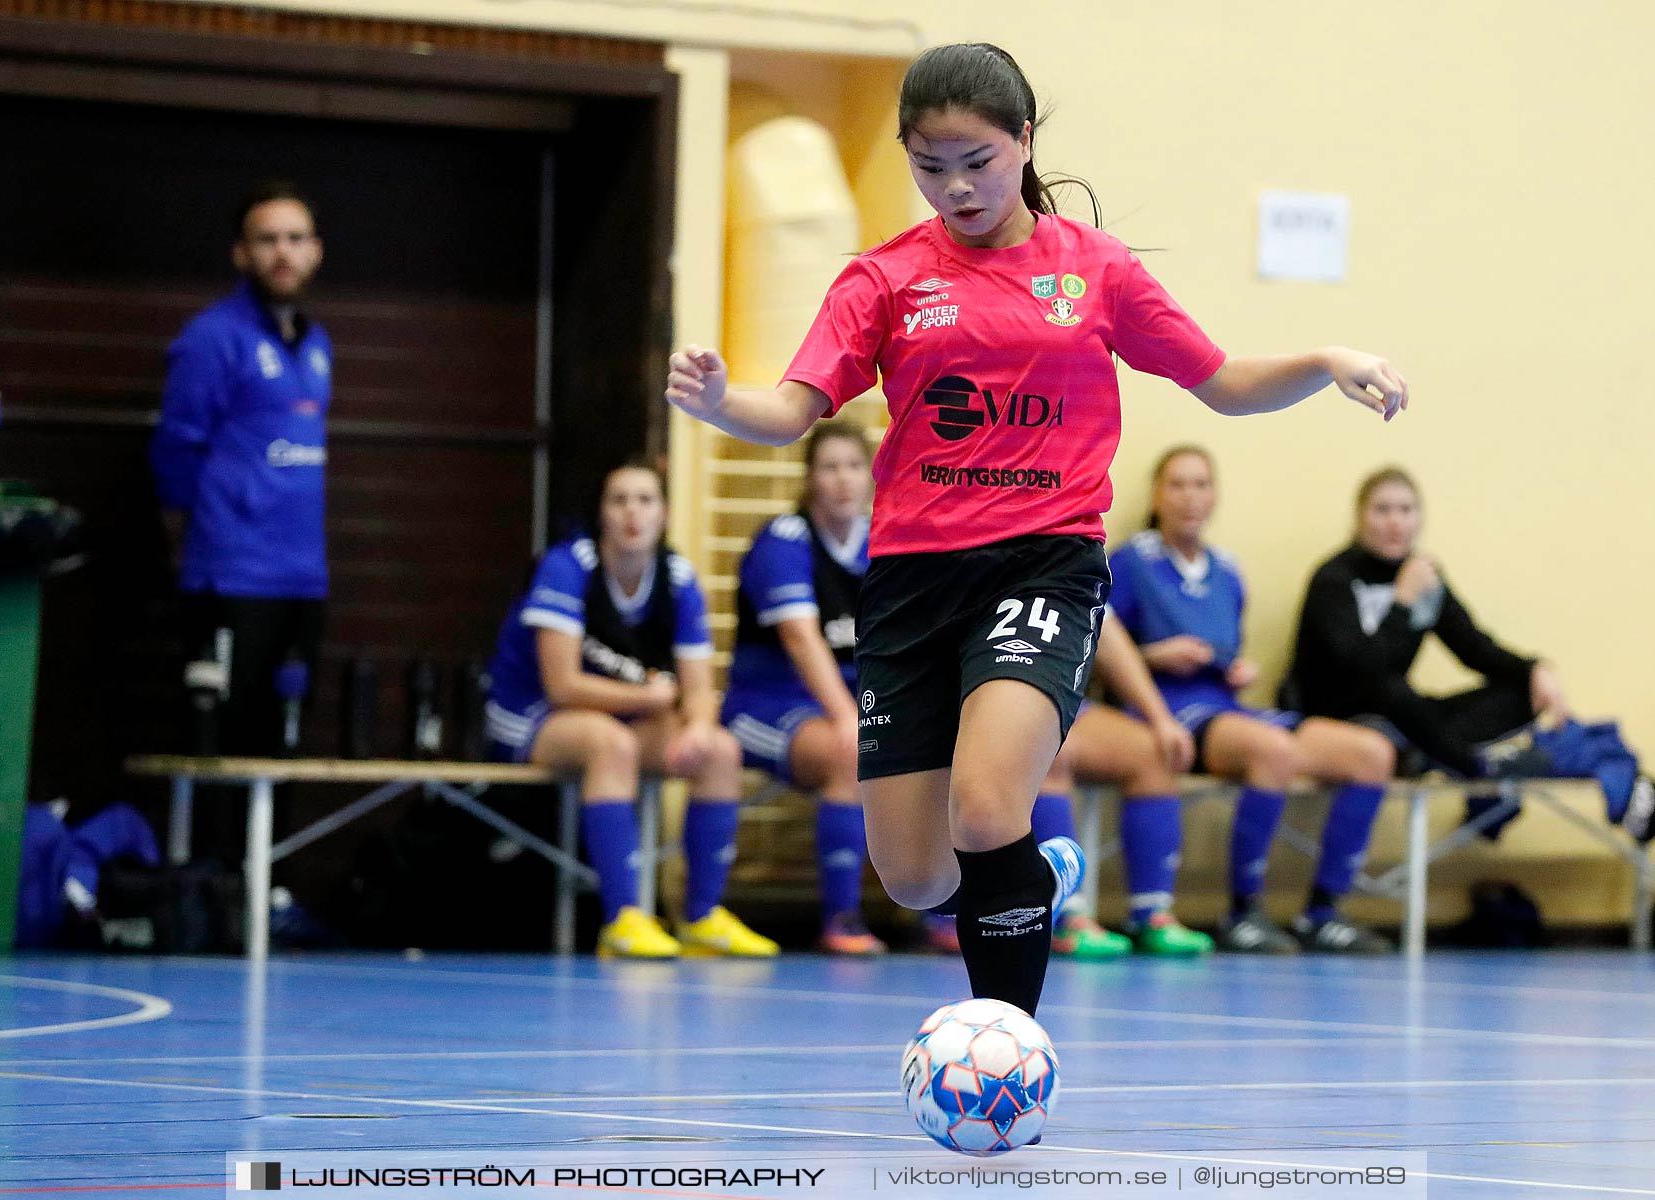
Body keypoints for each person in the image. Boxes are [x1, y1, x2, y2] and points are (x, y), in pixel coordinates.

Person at [665, 43, 1406, 1013]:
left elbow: (1221, 384)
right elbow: (793, 409)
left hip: (1041, 567)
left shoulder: (1093, 270)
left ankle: (1006, 1042)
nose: (954, 187)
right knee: (918, 879)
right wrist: (722, 401)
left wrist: (1322, 356)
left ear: (1022, 141)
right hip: (912, 584)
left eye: (975, 160)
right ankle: (1032, 866)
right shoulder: (883, 279)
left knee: (984, 804)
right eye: (929, 167)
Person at [1108, 447, 1398, 954]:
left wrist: (1234, 669)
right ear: (1156, 493)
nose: (1190, 497)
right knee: (1272, 750)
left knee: (1372, 754)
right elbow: (1096, 649)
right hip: (1167, 713)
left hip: (1226, 708)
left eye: (1201, 484)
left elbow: (1227, 649)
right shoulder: (1131, 562)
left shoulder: (1226, 568)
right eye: (1177, 484)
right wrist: (1155, 656)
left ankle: (1323, 913)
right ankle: (1243, 911)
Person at [485, 461, 776, 959]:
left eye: (644, 500)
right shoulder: (568, 567)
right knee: (610, 744)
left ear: (663, 514)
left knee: (720, 751)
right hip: (527, 712)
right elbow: (562, 685)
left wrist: (698, 729)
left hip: (618, 714)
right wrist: (649, 698)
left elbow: (699, 687)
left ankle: (701, 917)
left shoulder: (677, 578)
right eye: (619, 500)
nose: (632, 513)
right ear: (602, 513)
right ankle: (621, 919)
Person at [1285, 466, 1653, 840]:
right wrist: (1401, 602)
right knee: (1394, 691)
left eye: (1406, 509)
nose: (1395, 522)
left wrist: (1534, 670)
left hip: (1409, 724)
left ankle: (1455, 759)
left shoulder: (1425, 575)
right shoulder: (1334, 579)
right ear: (1359, 516)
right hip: (1340, 722)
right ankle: (1483, 773)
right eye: (1382, 509)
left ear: (1420, 517)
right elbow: (1362, 670)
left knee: (1518, 694)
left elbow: (1474, 648)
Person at [150, 181, 330, 756]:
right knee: (219, 744)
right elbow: (177, 445)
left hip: (302, 576)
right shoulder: (211, 337)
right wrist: (186, 540)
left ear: (315, 251)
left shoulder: (318, 342)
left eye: (295, 239)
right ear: (241, 254)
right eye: (267, 240)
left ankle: (268, 853)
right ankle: (213, 852)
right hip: (230, 573)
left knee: (281, 745)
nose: (283, 253)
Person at [722, 422, 886, 955]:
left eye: (854, 466)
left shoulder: (885, 539)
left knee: (932, 753)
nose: (843, 480)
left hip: (854, 700)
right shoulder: (783, 541)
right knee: (853, 753)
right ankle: (842, 918)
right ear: (810, 477)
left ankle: (939, 913)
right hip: (766, 703)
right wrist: (846, 717)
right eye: (829, 467)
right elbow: (799, 637)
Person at [1036, 619, 1216, 957]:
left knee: (1154, 753)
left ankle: (1151, 915)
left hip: (1059, 693)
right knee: (1043, 745)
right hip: (981, 691)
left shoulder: (1075, 568)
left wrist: (1161, 719)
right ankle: (1061, 917)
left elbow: (1106, 630)